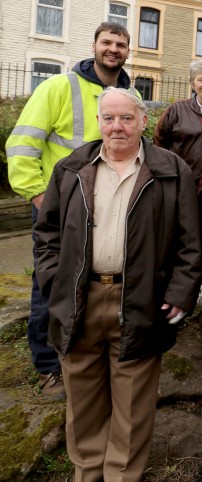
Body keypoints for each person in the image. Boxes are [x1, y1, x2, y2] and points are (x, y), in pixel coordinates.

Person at [34, 87, 201, 482]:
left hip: (140, 298)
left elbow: (190, 241)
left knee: (132, 403)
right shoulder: (72, 168)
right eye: (109, 118)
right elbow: (47, 234)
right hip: (80, 298)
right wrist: (55, 282)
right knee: (84, 397)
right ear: (98, 123)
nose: (117, 127)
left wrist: (180, 292)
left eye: (126, 118)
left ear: (144, 121)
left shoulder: (170, 169)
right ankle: (87, 477)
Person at [6, 22, 137, 400]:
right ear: (94, 45)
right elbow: (21, 146)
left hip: (109, 208)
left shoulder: (128, 95)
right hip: (59, 210)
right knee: (52, 283)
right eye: (107, 42)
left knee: (96, 285)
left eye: (120, 44)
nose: (113, 49)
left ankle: (85, 356)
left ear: (128, 51)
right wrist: (39, 199)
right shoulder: (58, 87)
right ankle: (48, 367)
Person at [153, 59, 202, 192]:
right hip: (182, 185)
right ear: (192, 85)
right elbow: (159, 143)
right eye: (201, 80)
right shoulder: (177, 109)